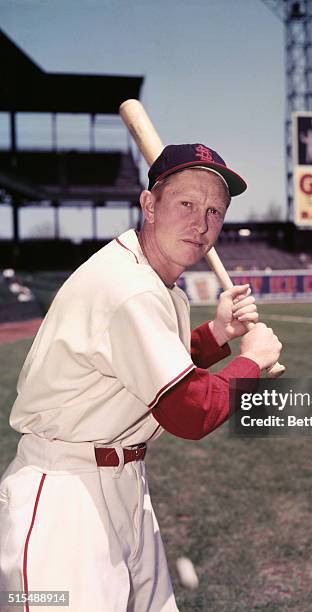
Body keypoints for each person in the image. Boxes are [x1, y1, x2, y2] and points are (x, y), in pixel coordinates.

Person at [0, 143, 282, 612]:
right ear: (149, 205)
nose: (201, 223)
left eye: (214, 210)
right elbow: (190, 412)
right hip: (64, 497)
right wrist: (251, 361)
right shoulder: (128, 287)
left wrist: (216, 334)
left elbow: (134, 366)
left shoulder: (150, 277)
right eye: (186, 204)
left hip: (122, 481)